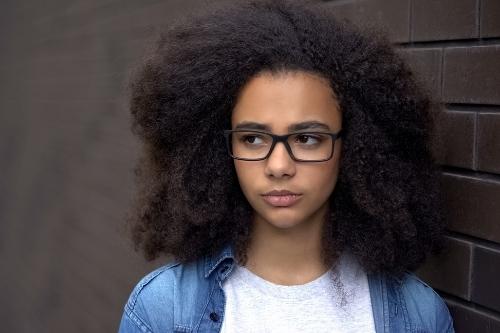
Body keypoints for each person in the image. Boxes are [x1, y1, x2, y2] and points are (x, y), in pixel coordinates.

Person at [118, 0, 454, 332]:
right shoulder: (162, 310)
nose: (279, 166)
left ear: (352, 148)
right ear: (218, 150)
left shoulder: (418, 316)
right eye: (252, 139)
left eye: (307, 139)